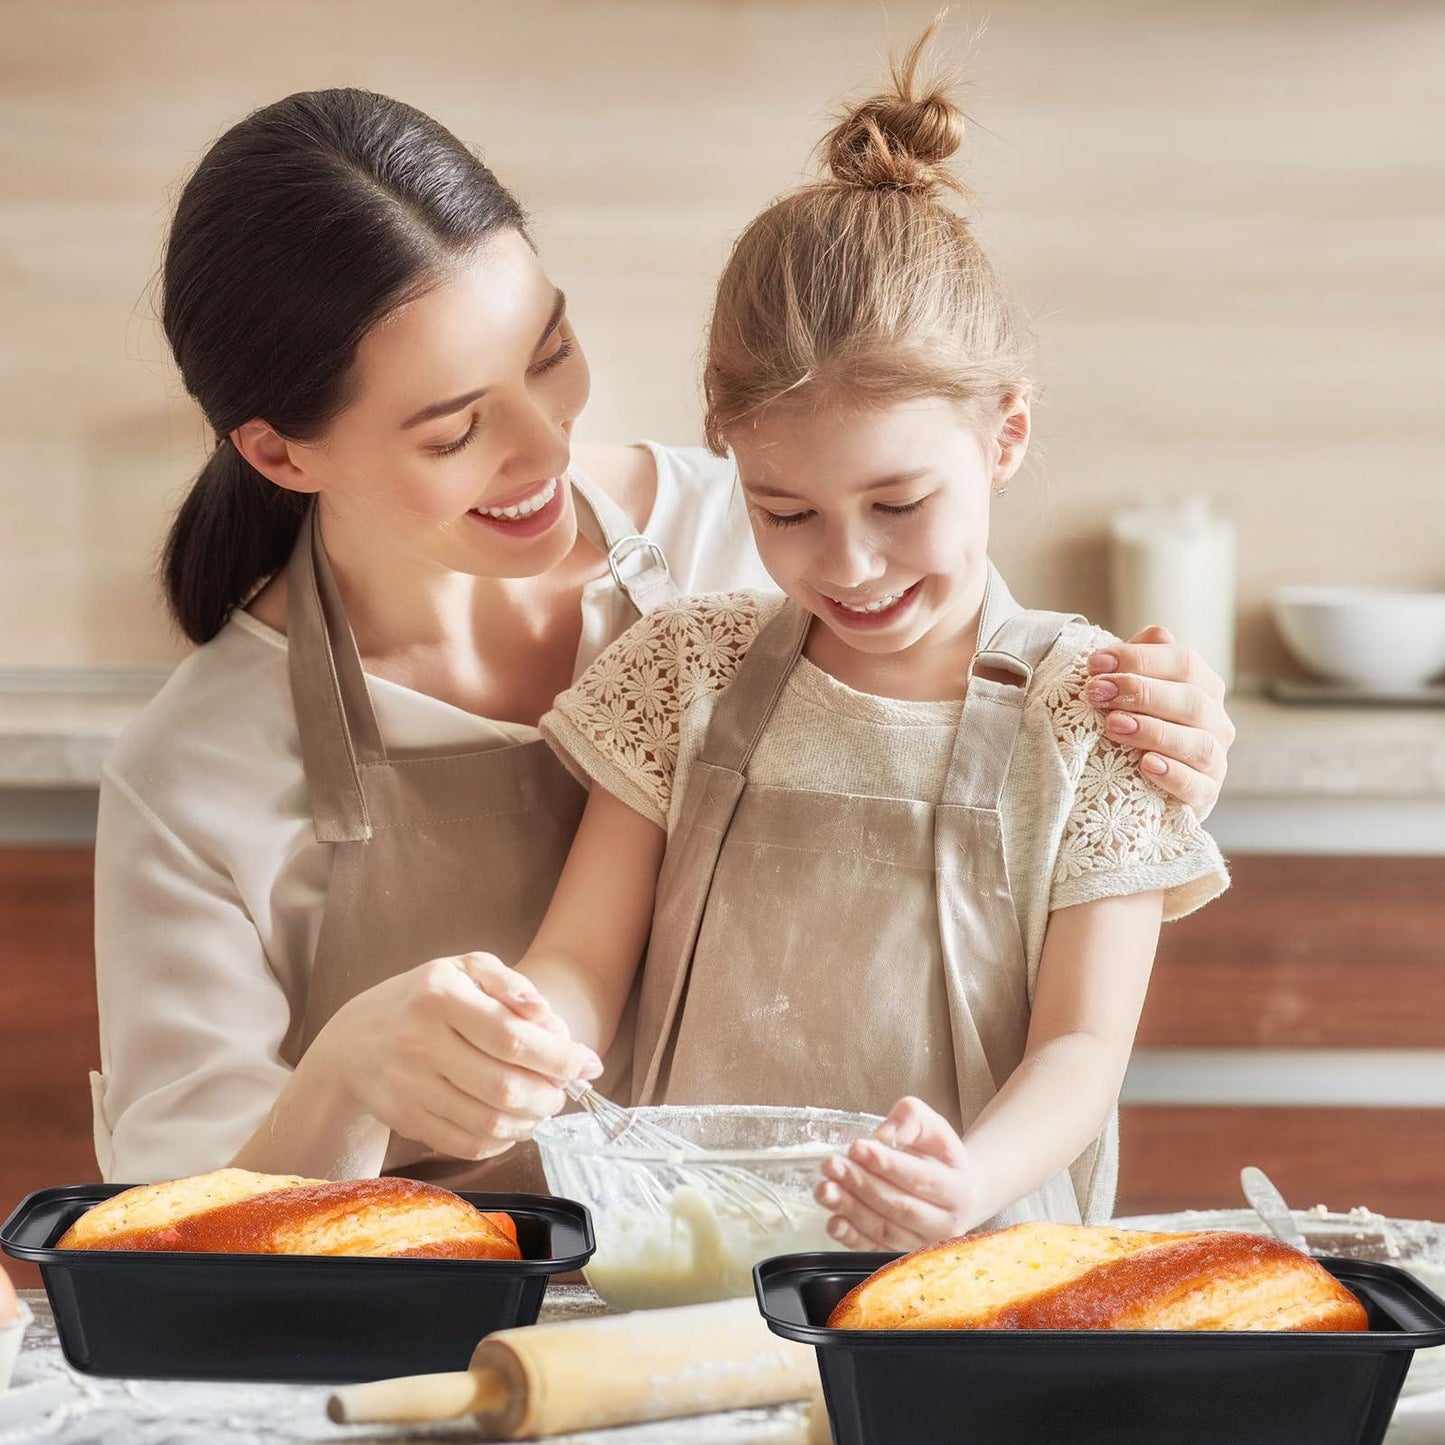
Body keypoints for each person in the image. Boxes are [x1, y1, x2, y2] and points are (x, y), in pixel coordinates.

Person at [93, 81, 1235, 1190]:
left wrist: (1166, 730)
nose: (544, 452)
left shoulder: (764, 519)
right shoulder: (196, 770)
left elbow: (982, 713)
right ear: (282, 455)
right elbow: (172, 1230)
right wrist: (346, 1077)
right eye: (453, 431)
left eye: (546, 355)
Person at [500, 24, 1231, 1245]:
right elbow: (580, 960)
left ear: (1002, 436)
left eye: (897, 505)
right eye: (781, 511)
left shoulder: (1093, 717)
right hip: (695, 1255)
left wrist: (965, 1175)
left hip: (972, 1263)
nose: (845, 563)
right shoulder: (684, 670)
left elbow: (1080, 1049)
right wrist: (519, 1034)